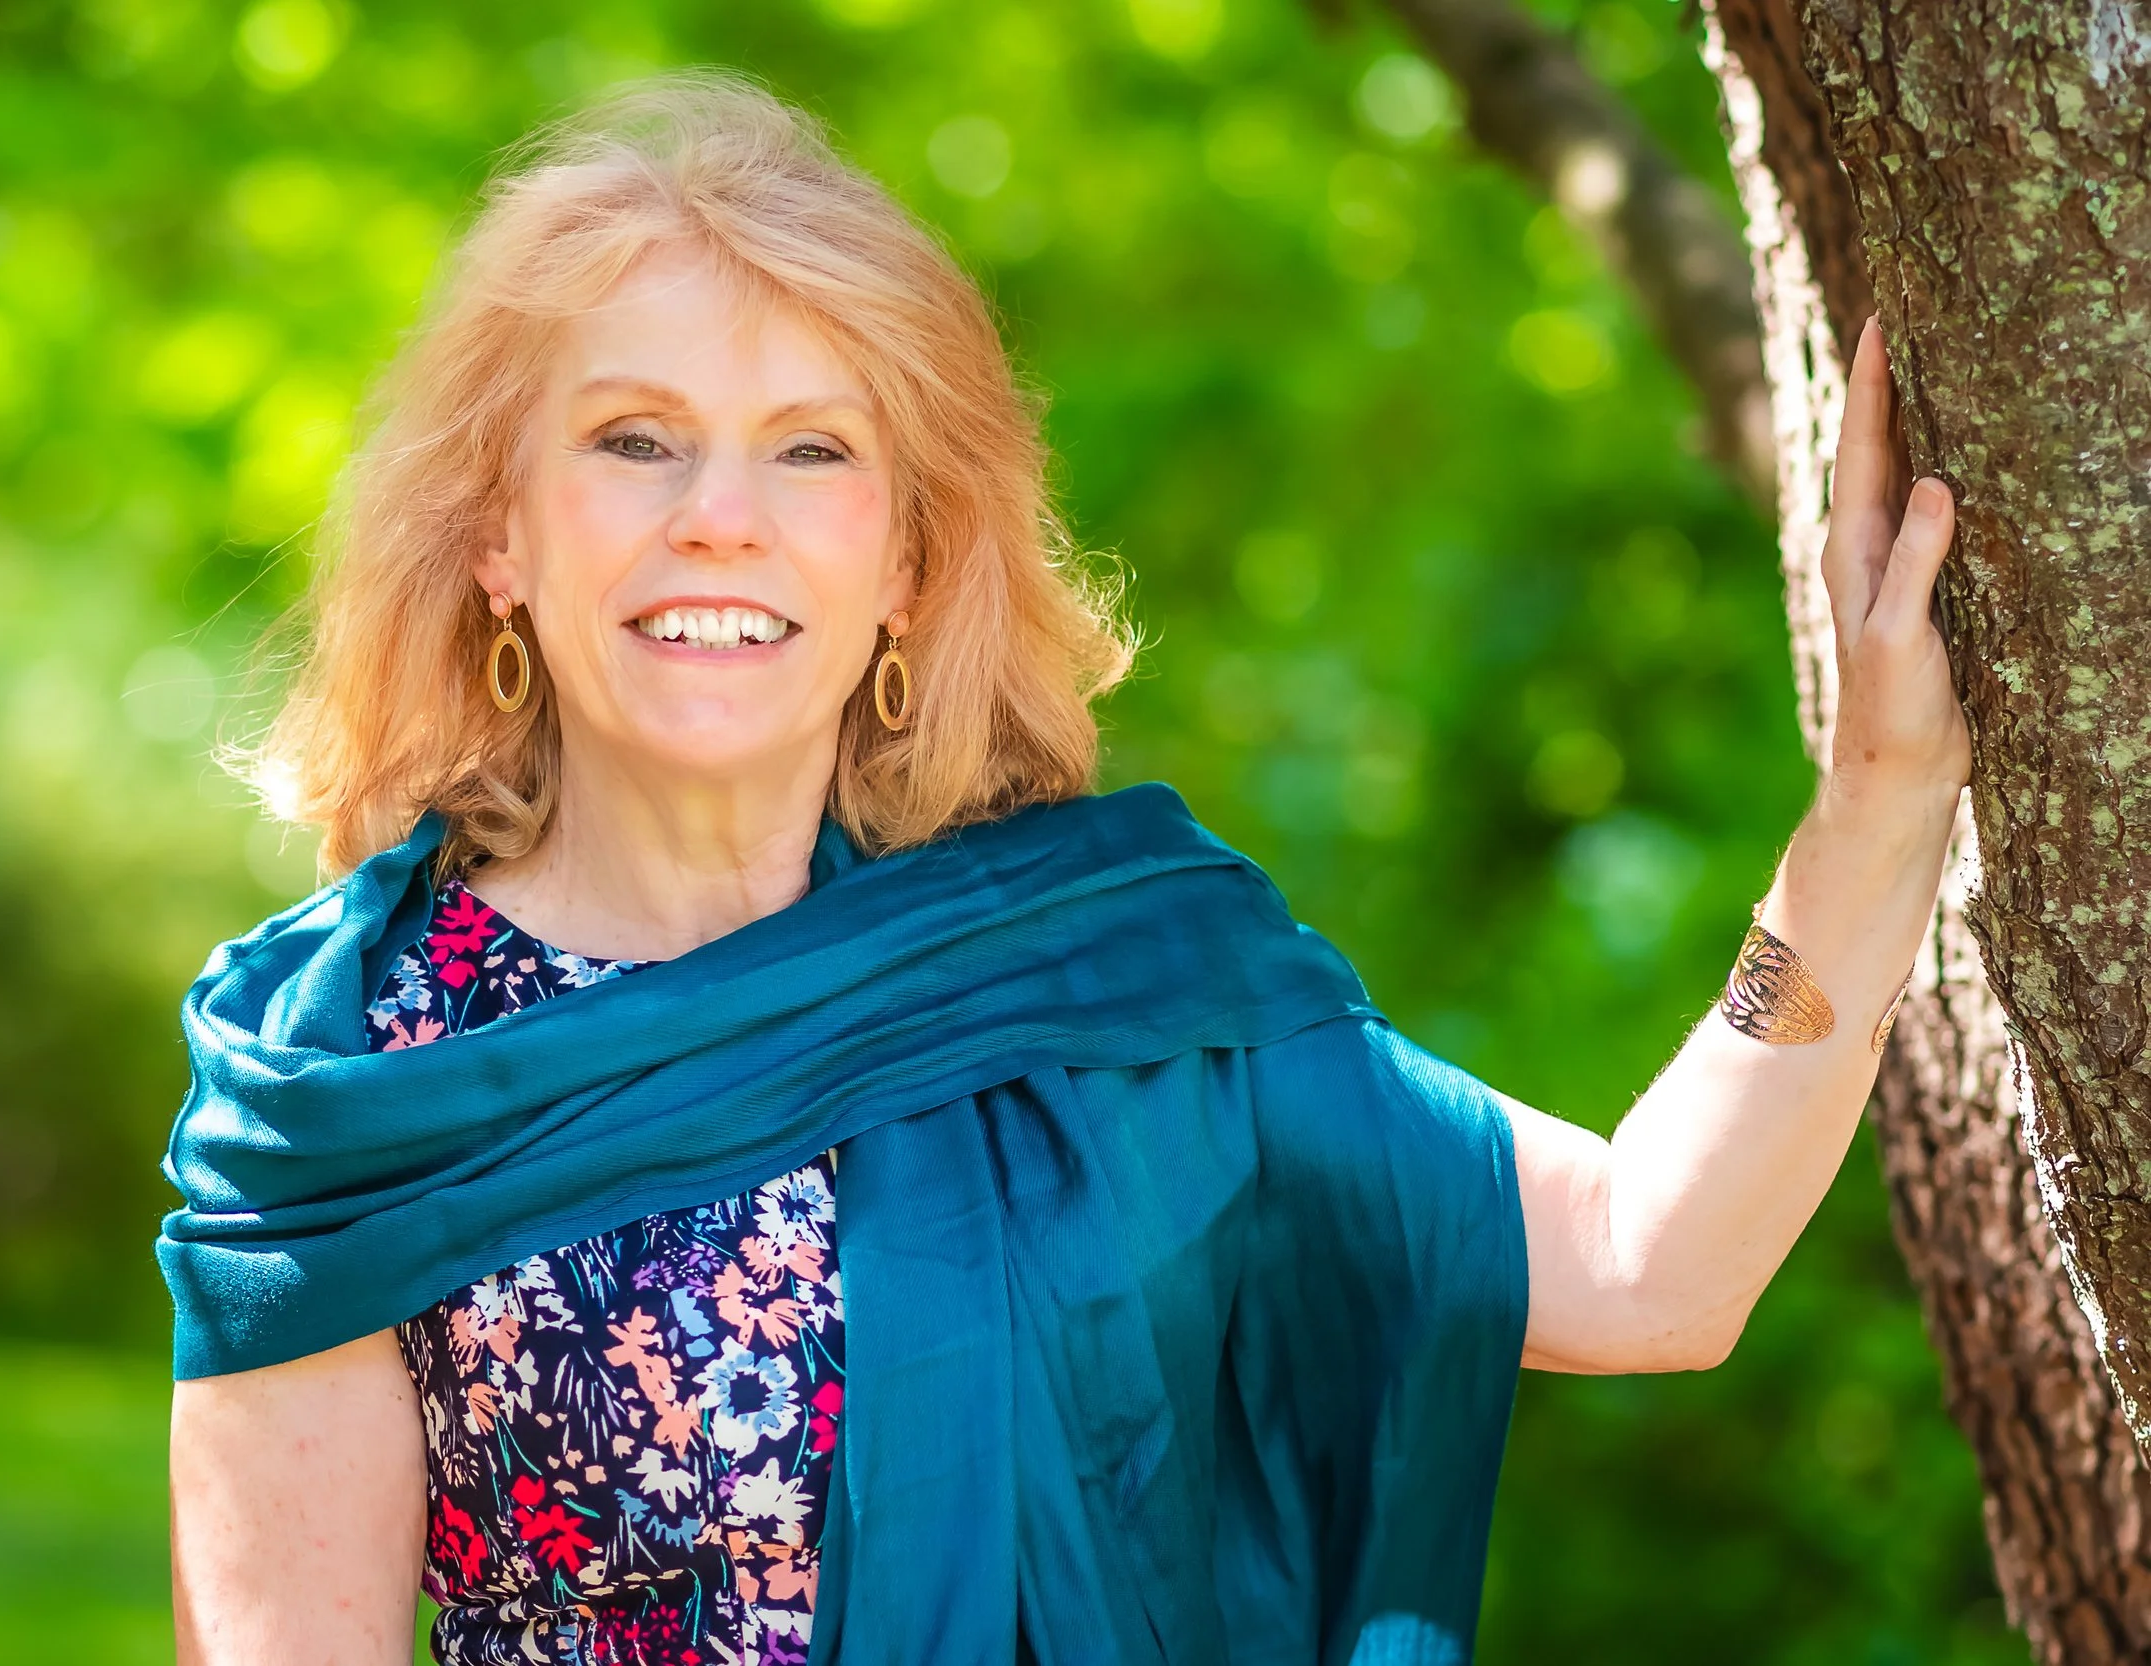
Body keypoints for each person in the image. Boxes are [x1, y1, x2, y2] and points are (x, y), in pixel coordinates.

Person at [160, 72, 1966, 1666]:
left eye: (815, 448)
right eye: (635, 439)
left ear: (914, 565)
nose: (721, 510)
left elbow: (1650, 1267)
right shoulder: (346, 1085)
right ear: (498, 532)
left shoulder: (1098, 987)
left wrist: (1875, 814)